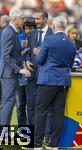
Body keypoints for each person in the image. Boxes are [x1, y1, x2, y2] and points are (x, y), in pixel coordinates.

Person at [34, 16, 76, 150]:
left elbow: (39, 60)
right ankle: (54, 144)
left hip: (48, 80)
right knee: (58, 113)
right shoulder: (71, 43)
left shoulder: (49, 39)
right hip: (63, 81)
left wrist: (38, 53)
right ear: (65, 27)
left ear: (53, 26)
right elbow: (70, 63)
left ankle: (37, 144)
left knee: (40, 111)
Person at [0, 8, 31, 130]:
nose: (24, 20)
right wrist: (19, 70)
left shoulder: (15, 31)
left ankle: (1, 132)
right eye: (22, 18)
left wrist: (22, 52)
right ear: (15, 19)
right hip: (9, 73)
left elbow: (11, 54)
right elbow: (6, 56)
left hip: (9, 72)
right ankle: (2, 134)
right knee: (9, 103)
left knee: (6, 103)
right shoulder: (9, 32)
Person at [26, 10, 53, 143]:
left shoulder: (52, 34)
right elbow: (28, 52)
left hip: (47, 77)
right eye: (35, 19)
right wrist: (27, 61)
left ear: (45, 19)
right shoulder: (32, 34)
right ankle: (31, 134)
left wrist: (41, 52)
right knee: (30, 106)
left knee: (46, 107)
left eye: (38, 19)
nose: (35, 21)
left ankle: (47, 135)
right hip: (32, 75)